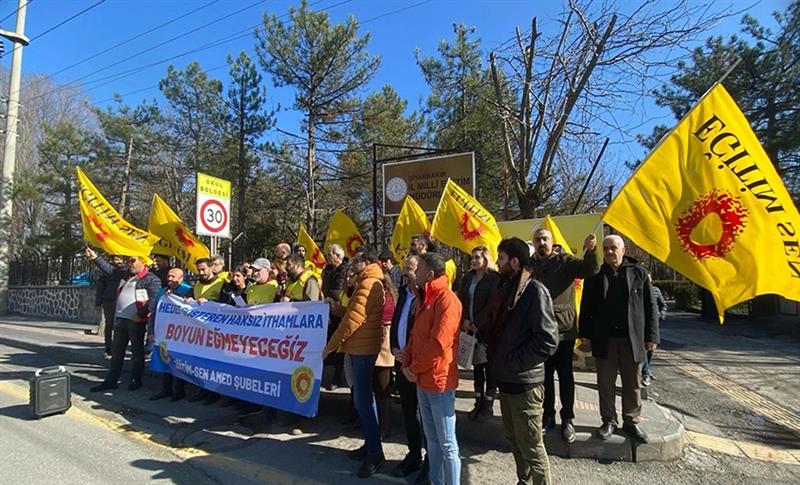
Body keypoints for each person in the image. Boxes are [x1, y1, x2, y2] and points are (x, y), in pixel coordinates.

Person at [579, 235, 660, 444]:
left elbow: (651, 307)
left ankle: (631, 421)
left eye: (613, 248)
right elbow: (586, 306)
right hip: (604, 339)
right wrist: (585, 332)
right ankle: (608, 420)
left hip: (632, 339)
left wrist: (652, 336)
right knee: (605, 383)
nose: (608, 252)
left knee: (632, 383)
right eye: (605, 248)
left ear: (623, 250)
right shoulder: (596, 276)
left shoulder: (639, 274)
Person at [491, 237, 558, 485]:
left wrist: (515, 362)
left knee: (531, 445)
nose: (497, 262)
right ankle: (524, 480)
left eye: (501, 257)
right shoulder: (507, 288)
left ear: (515, 261)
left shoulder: (534, 291)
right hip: (506, 380)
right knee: (513, 440)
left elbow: (547, 340)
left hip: (525, 383)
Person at [322, 248, 386, 478]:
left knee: (363, 400)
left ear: (366, 262)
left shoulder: (368, 284)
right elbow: (353, 312)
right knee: (363, 399)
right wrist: (336, 308)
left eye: (356, 261)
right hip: (361, 347)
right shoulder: (368, 281)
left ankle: (375, 453)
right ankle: (370, 444)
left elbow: (352, 321)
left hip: (362, 348)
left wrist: (329, 347)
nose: (352, 265)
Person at [531, 228, 599, 443]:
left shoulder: (565, 262)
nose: (542, 242)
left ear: (552, 242)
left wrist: (591, 251)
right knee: (545, 377)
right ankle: (548, 415)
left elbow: (590, 269)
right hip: (539, 331)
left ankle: (568, 418)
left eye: (545, 239)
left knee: (566, 377)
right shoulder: (530, 265)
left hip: (563, 330)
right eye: (538, 240)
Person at [403, 252, 462, 485]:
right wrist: (407, 361)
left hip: (439, 381)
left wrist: (414, 368)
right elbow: (416, 335)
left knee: (447, 443)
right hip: (422, 380)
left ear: (429, 273)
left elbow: (439, 343)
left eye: (417, 270)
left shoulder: (447, 300)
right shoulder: (425, 297)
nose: (413, 273)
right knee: (433, 440)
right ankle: (436, 481)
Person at [87, 249, 162, 392]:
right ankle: (111, 380)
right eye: (129, 261)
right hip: (120, 320)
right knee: (116, 353)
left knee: (137, 352)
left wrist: (142, 315)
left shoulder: (151, 279)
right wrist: (95, 257)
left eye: (133, 260)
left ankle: (136, 380)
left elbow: (153, 301)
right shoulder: (125, 275)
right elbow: (109, 269)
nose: (130, 264)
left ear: (143, 262)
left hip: (136, 322)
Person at [389, 255, 428, 480]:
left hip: (419, 365)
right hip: (401, 361)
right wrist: (394, 347)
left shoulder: (426, 297)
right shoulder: (403, 293)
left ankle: (430, 462)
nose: (405, 272)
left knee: (426, 417)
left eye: (410, 268)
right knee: (409, 412)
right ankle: (414, 455)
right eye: (405, 268)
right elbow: (397, 322)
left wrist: (412, 357)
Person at [457, 246, 502, 422]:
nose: (474, 260)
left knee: (489, 367)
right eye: (472, 257)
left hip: (487, 330)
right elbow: (462, 299)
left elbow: (493, 304)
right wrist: (466, 320)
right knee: (476, 365)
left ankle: (488, 403)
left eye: (477, 257)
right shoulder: (468, 277)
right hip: (470, 329)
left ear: (485, 259)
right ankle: (478, 400)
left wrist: (479, 324)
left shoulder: (493, 278)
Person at [149, 268, 193, 401]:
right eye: (168, 276)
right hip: (164, 333)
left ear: (181, 279)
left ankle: (179, 391)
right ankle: (166, 389)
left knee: (178, 362)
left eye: (173, 276)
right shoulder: (163, 291)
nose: (169, 278)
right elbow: (155, 311)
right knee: (165, 359)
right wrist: (151, 331)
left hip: (181, 334)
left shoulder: (187, 290)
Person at [189, 258, 225, 403]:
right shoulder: (197, 285)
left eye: (203, 269)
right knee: (201, 362)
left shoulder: (222, 284)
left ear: (212, 268)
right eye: (199, 270)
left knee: (214, 363)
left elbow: (227, 305)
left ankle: (214, 393)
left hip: (216, 331)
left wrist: (211, 303)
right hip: (200, 331)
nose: (201, 272)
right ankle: (203, 390)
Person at [90, 253, 127, 357]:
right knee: (109, 324)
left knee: (118, 325)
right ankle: (108, 347)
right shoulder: (106, 271)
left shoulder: (126, 271)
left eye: (120, 259)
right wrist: (98, 302)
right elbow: (100, 287)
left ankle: (117, 347)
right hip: (109, 300)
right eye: (116, 259)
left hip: (121, 300)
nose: (118, 261)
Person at [322, 244, 349, 390]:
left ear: (337, 256)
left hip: (339, 310)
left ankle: (337, 376)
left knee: (339, 346)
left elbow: (338, 290)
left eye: (329, 254)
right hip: (327, 311)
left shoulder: (345, 269)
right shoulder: (326, 270)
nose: (326, 256)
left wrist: (330, 297)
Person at [375, 270, 397, 440]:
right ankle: (380, 425)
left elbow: (383, 317)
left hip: (384, 346)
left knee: (383, 389)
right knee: (378, 388)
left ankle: (385, 427)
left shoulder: (387, 297)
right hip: (377, 344)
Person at [642, 279, 667, 387]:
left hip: (653, 324)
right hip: (641, 324)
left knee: (650, 349)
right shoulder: (639, 290)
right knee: (643, 348)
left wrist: (660, 316)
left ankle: (647, 369)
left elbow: (663, 305)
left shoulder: (656, 290)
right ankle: (646, 372)